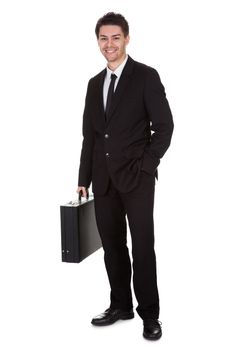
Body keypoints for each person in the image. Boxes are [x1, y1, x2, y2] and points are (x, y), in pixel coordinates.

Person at [76, 12, 174, 341]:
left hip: (137, 179)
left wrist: (147, 166)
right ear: (98, 42)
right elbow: (90, 136)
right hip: (103, 182)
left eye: (115, 37)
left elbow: (164, 127)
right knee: (113, 247)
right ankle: (120, 305)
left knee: (143, 247)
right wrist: (83, 179)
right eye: (103, 38)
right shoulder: (93, 84)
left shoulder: (145, 77)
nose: (109, 44)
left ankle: (150, 314)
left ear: (127, 38)